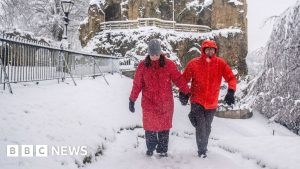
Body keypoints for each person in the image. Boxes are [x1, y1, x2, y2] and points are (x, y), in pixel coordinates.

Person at [129, 39, 190, 157]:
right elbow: (137, 85)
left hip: (165, 103)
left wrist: (186, 92)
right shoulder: (142, 66)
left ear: (160, 52)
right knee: (150, 127)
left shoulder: (168, 64)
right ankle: (150, 148)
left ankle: (162, 150)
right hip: (149, 103)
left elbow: (178, 79)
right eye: (152, 55)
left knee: (164, 128)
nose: (155, 57)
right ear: (149, 54)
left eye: (157, 54)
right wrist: (132, 99)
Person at [179, 39, 237, 158]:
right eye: (207, 49)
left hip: (211, 103)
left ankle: (200, 135)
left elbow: (231, 78)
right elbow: (184, 80)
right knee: (201, 126)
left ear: (215, 50)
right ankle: (202, 150)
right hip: (197, 100)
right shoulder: (194, 63)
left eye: (212, 49)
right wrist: (183, 93)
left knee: (207, 127)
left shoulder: (220, 64)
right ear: (203, 50)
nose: (210, 51)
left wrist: (231, 91)